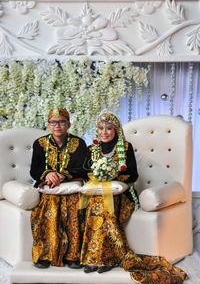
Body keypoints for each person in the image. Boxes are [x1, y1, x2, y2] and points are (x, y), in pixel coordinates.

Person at [79, 111, 188, 283]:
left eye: (109, 128)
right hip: (96, 193)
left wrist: (112, 176)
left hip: (122, 196)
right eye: (101, 128)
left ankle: (104, 258)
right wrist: (98, 177)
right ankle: (95, 257)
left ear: (116, 130)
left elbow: (132, 175)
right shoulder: (91, 149)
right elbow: (84, 172)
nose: (104, 132)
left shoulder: (126, 148)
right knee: (95, 202)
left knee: (101, 205)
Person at [30, 108, 87, 268]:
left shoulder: (79, 143)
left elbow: (83, 169)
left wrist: (63, 175)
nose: (57, 125)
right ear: (48, 125)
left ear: (68, 124)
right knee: (50, 207)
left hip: (72, 188)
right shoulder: (40, 144)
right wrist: (47, 174)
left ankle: (73, 256)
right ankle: (45, 255)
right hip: (49, 189)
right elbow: (34, 170)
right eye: (53, 122)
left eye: (62, 121)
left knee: (74, 207)